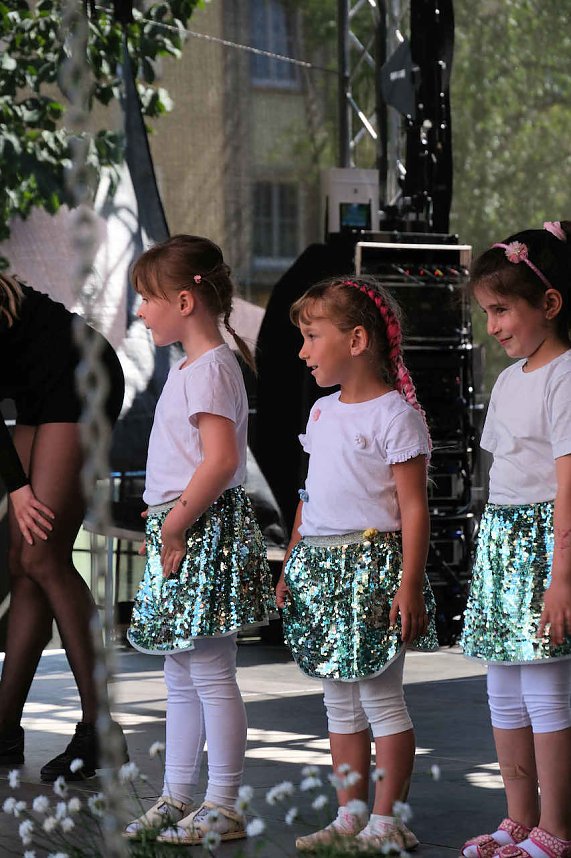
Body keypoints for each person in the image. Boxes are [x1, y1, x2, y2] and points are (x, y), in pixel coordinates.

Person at [276, 275, 439, 852]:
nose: (303, 351)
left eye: (312, 336)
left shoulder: (395, 416)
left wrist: (410, 584)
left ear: (357, 340)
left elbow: (415, 509)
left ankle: (387, 820)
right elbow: (310, 494)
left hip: (371, 570)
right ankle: (351, 815)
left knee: (378, 694)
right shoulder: (322, 414)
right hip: (320, 566)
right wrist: (293, 559)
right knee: (337, 698)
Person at [123, 235, 275, 845]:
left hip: (199, 529)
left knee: (210, 672)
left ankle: (223, 801)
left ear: (184, 301)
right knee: (180, 673)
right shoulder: (195, 367)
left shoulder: (212, 369)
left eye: (146, 298)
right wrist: (165, 518)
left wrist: (175, 522)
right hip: (182, 526)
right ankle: (179, 794)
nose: (140, 311)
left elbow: (217, 462)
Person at [459, 222, 571, 858]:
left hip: (545, 539)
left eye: (502, 310)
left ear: (549, 304)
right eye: (487, 312)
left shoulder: (565, 375)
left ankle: (557, 826)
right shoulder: (509, 379)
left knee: (543, 688)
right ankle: (518, 819)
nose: (493, 325)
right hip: (503, 541)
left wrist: (562, 576)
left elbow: (566, 484)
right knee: (502, 686)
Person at [0, 273, 127, 781]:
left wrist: (17, 487)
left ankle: (101, 730)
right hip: (36, 386)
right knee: (23, 563)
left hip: (80, 372)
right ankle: (4, 728)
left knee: (43, 557)